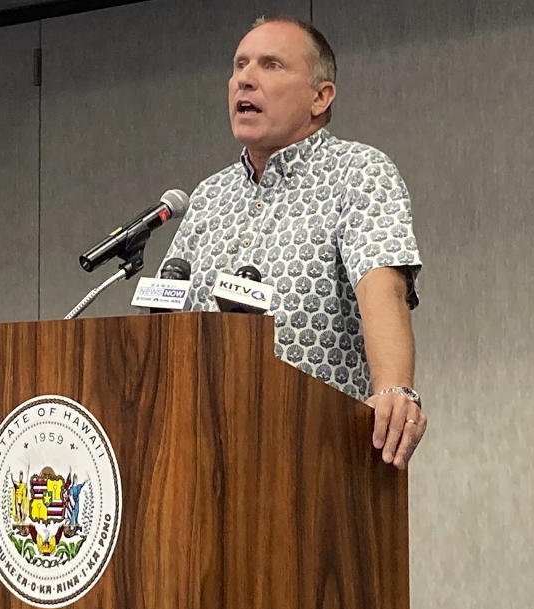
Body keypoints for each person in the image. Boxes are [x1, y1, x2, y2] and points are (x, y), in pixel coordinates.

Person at [160, 16, 428, 469]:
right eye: (239, 65)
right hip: (200, 457)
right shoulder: (208, 197)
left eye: (271, 65)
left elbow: (383, 289)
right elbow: (167, 325)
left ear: (320, 97)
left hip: (310, 462)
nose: (245, 79)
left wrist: (394, 390)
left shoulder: (357, 173)